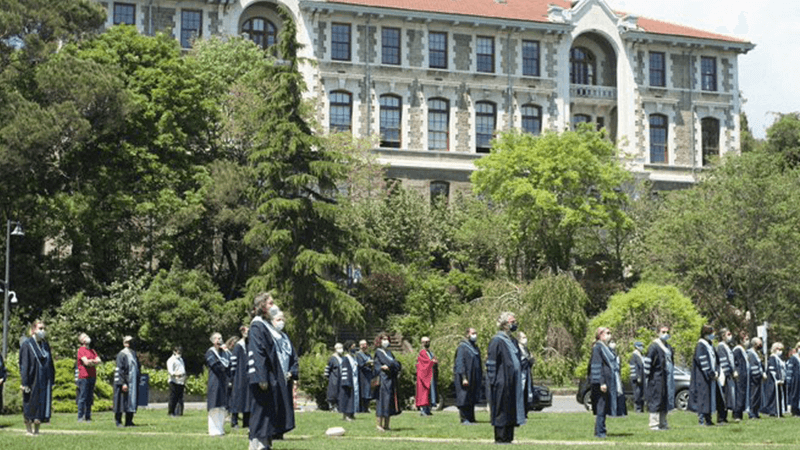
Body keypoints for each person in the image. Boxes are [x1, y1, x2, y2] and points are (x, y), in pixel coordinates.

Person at [248, 292, 295, 450]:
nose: (274, 306)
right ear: (262, 306)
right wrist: (261, 377)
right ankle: (257, 445)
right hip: (263, 378)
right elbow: (258, 352)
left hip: (272, 377)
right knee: (261, 413)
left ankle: (266, 444)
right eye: (270, 303)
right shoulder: (257, 325)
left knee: (269, 413)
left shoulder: (267, 325)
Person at [487, 312, 525, 444]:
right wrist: (493, 381)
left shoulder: (513, 341)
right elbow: (491, 363)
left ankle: (509, 437)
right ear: (504, 325)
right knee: (501, 410)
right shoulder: (497, 341)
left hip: (512, 381)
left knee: (510, 409)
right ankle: (500, 438)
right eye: (512, 321)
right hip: (501, 381)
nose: (514, 324)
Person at [19, 320, 54, 436]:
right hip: (31, 378)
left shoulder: (45, 345)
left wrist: (52, 379)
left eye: (44, 328)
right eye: (40, 328)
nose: (42, 331)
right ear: (33, 330)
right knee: (30, 403)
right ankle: (29, 430)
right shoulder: (27, 345)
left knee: (41, 403)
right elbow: (24, 364)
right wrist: (25, 383)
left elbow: (50, 363)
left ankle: (37, 429)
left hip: (43, 379)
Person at [589, 326, 624, 439]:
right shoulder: (597, 348)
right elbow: (597, 366)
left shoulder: (606, 348)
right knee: (601, 407)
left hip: (609, 382)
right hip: (601, 383)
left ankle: (600, 430)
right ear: (600, 335)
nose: (610, 335)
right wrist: (601, 382)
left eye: (610, 333)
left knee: (604, 408)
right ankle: (600, 432)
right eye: (607, 333)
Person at [645, 325, 675, 431]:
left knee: (665, 399)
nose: (666, 334)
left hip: (666, 377)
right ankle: (654, 423)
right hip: (656, 377)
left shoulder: (668, 347)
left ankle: (663, 423)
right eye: (663, 332)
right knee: (656, 399)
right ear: (658, 333)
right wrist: (647, 377)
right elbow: (648, 362)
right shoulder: (654, 346)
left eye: (667, 332)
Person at [689, 324, 718, 426]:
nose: (713, 335)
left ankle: (708, 419)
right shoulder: (700, 346)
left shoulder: (710, 345)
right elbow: (703, 362)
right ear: (705, 334)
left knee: (709, 398)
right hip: (702, 377)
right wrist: (710, 373)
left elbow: (716, 360)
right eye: (711, 333)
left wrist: (716, 371)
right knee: (703, 398)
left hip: (710, 376)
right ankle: (701, 420)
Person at [374, 332, 402, 431]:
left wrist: (392, 365)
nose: (385, 341)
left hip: (390, 380)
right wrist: (392, 364)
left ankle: (387, 425)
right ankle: (379, 425)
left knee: (389, 401)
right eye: (383, 339)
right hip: (383, 380)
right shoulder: (378, 352)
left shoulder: (390, 352)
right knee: (382, 401)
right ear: (379, 340)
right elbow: (389, 362)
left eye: (387, 339)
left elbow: (397, 364)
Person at [454, 327, 482, 425]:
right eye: (473, 333)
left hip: (473, 377)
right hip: (465, 377)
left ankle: (471, 418)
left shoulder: (475, 347)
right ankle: (464, 418)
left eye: (476, 333)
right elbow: (460, 362)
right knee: (464, 398)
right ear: (467, 334)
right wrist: (464, 377)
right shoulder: (463, 346)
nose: (475, 335)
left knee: (471, 398)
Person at [206, 332, 231, 436]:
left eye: (221, 338)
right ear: (213, 341)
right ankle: (213, 430)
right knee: (214, 407)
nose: (220, 340)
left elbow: (231, 363)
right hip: (215, 382)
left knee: (222, 407)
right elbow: (216, 366)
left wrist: (228, 351)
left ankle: (220, 429)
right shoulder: (210, 352)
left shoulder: (224, 353)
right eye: (217, 339)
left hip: (223, 382)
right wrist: (225, 369)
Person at [113, 335, 140, 427]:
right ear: (124, 343)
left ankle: (129, 421)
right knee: (121, 402)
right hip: (124, 382)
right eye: (127, 342)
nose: (128, 344)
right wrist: (123, 383)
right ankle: (118, 421)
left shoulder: (133, 353)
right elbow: (120, 369)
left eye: (130, 342)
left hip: (133, 381)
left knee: (131, 402)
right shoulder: (122, 354)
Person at [76, 332, 101, 422]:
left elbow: (99, 360)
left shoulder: (92, 350)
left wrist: (91, 362)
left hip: (92, 376)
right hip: (83, 377)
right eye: (85, 337)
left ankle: (88, 416)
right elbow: (86, 362)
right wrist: (92, 362)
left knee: (90, 398)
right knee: (82, 397)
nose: (87, 338)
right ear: (82, 340)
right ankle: (80, 416)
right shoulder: (81, 350)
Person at [230, 325, 251, 428]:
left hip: (248, 376)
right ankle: (234, 421)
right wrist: (232, 376)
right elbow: (233, 361)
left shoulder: (250, 345)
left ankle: (246, 421)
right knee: (237, 398)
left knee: (247, 399)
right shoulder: (239, 346)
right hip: (239, 376)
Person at [715, 328, 737, 423]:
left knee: (728, 397)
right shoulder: (721, 346)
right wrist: (729, 372)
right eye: (728, 334)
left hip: (729, 375)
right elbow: (723, 361)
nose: (730, 336)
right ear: (723, 336)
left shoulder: (727, 346)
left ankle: (725, 417)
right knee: (723, 396)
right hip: (724, 375)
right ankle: (721, 418)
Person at [415, 336, 438, 416]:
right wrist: (432, 362)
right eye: (425, 342)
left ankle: (428, 409)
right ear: (422, 343)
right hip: (423, 376)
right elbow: (424, 364)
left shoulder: (430, 352)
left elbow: (432, 360)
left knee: (429, 393)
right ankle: (423, 410)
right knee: (423, 393)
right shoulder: (422, 352)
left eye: (428, 341)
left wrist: (434, 361)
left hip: (430, 375)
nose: (427, 343)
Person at [761, 342, 785, 417]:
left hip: (779, 380)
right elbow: (772, 370)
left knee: (779, 396)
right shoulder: (772, 357)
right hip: (772, 381)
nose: (781, 351)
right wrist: (777, 379)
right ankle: (773, 411)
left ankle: (779, 411)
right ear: (775, 349)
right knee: (773, 396)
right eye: (779, 349)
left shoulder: (778, 358)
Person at [339, 340, 360, 421]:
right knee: (347, 398)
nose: (354, 348)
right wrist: (346, 382)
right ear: (348, 348)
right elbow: (344, 371)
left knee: (354, 398)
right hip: (348, 381)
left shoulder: (354, 358)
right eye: (353, 347)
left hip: (354, 381)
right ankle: (346, 415)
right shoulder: (345, 358)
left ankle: (352, 414)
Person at [732, 333, 750, 421]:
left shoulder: (743, 350)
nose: (747, 341)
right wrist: (735, 370)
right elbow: (734, 361)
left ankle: (740, 413)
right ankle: (737, 414)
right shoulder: (737, 350)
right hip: (739, 376)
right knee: (739, 395)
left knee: (742, 395)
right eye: (746, 339)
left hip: (744, 376)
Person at [747, 337, 766, 419]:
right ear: (755, 344)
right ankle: (752, 413)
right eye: (759, 343)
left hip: (758, 378)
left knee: (758, 396)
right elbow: (753, 366)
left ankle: (756, 412)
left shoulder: (757, 353)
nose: (760, 345)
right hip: (754, 378)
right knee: (753, 396)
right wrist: (758, 375)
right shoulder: (750, 353)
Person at [518, 331, 535, 417]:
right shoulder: (517, 349)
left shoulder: (526, 349)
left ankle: (525, 411)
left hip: (527, 373)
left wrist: (531, 360)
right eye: (523, 338)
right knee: (520, 392)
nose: (525, 339)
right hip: (521, 374)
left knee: (527, 392)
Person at [355, 339, 375, 413]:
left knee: (368, 392)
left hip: (369, 375)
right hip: (362, 376)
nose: (364, 346)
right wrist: (367, 363)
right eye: (363, 345)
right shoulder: (358, 354)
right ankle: (362, 408)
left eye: (365, 344)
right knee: (362, 392)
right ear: (360, 346)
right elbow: (360, 365)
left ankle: (367, 407)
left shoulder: (368, 355)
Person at [167, 346, 186, 417]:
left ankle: (179, 412)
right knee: (173, 397)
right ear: (174, 352)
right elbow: (170, 371)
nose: (180, 353)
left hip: (181, 381)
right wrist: (176, 374)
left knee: (180, 398)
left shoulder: (181, 359)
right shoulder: (171, 360)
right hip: (174, 381)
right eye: (178, 351)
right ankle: (171, 412)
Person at [324, 343, 344, 412]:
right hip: (334, 378)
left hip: (340, 378)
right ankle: (331, 406)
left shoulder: (341, 358)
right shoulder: (332, 358)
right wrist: (328, 377)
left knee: (339, 392)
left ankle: (338, 406)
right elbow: (327, 369)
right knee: (333, 392)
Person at [629, 341, 646, 413]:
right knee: (637, 393)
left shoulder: (640, 355)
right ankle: (637, 409)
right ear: (637, 347)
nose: (642, 347)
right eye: (640, 346)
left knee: (641, 393)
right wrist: (637, 377)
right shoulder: (634, 355)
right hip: (636, 378)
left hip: (641, 377)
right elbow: (635, 367)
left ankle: (641, 409)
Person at [786, 342, 800, 416]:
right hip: (795, 380)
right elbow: (789, 370)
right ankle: (795, 411)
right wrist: (789, 381)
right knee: (795, 395)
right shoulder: (793, 358)